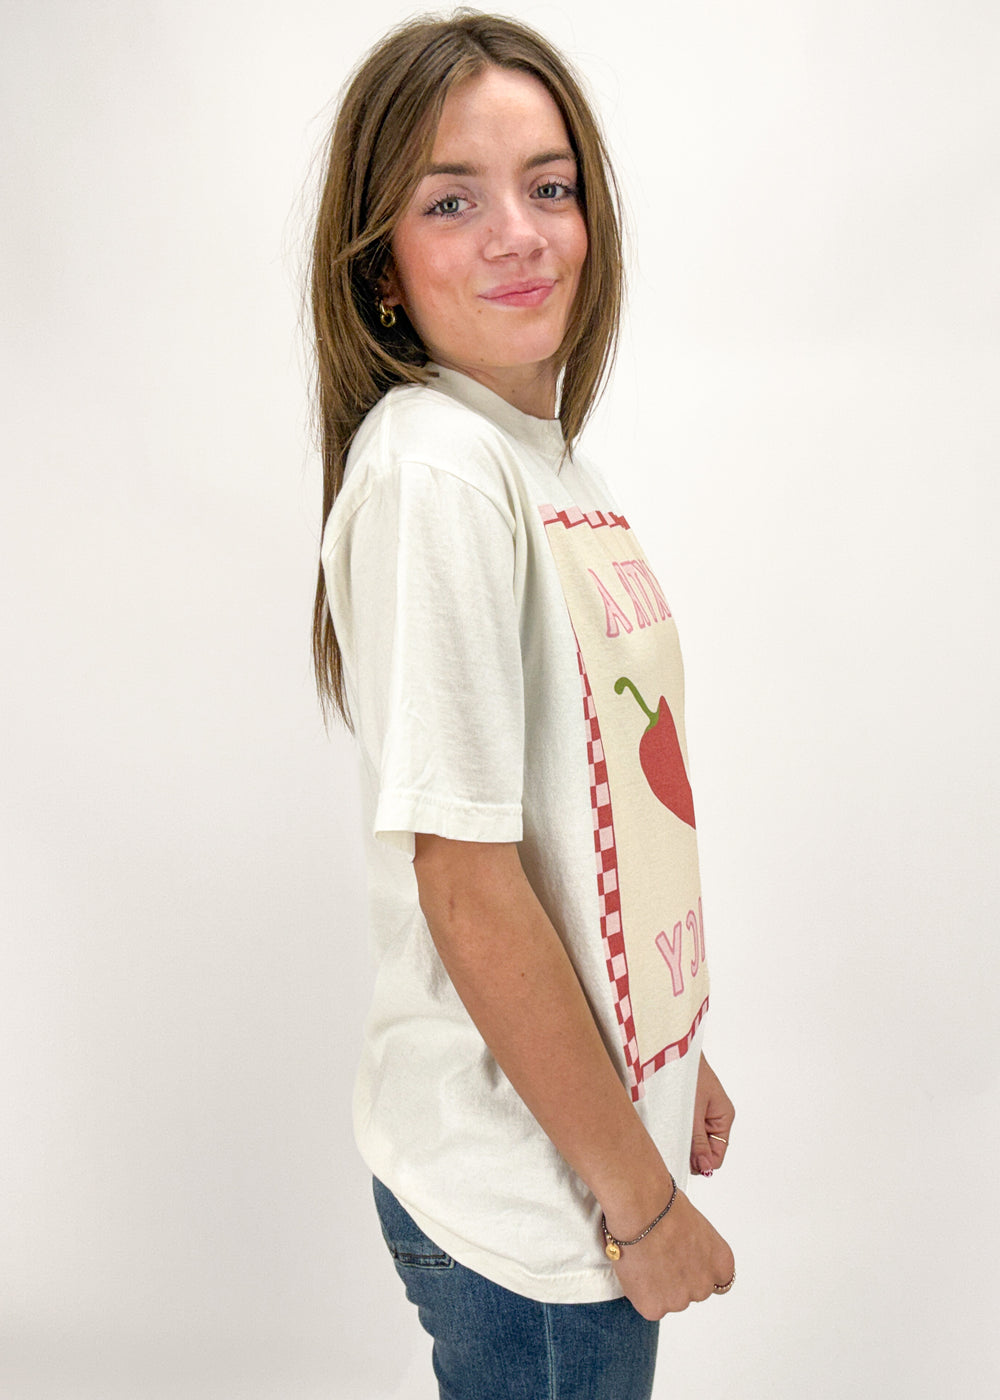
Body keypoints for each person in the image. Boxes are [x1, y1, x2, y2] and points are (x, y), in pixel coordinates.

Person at [308, 10, 736, 1397]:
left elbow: (595, 802)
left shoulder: (545, 463)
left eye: (550, 185)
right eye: (452, 200)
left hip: (585, 1149)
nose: (519, 233)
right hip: (536, 1201)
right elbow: (470, 887)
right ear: (380, 265)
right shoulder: (436, 469)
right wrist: (644, 1206)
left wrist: (668, 1062)